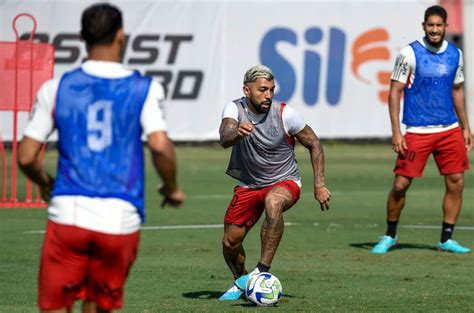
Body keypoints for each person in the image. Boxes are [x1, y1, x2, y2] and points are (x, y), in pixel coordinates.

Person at [17, 3, 185, 312]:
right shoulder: (145, 88)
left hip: (68, 212)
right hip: (119, 218)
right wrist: (172, 187)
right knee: (98, 305)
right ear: (121, 35)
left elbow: (26, 156)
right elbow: (160, 146)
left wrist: (45, 183)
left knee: (55, 306)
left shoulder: (56, 88)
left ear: (82, 37)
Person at [218, 65, 331, 300]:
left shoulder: (285, 113)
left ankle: (261, 272)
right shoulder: (234, 108)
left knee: (273, 202)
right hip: (249, 184)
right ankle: (242, 282)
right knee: (230, 241)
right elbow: (225, 137)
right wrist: (237, 133)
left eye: (271, 90)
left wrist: (319, 184)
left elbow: (314, 144)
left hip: (285, 180)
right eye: (262, 90)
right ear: (246, 90)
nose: (268, 95)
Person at [371, 5, 472, 254]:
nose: (435, 29)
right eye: (431, 25)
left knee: (457, 182)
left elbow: (458, 90)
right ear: (424, 25)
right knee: (400, 185)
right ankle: (390, 235)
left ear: (446, 27)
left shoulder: (455, 54)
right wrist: (396, 131)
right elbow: (394, 93)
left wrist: (466, 126)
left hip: (449, 129)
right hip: (417, 131)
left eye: (439, 25)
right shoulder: (409, 53)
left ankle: (446, 239)